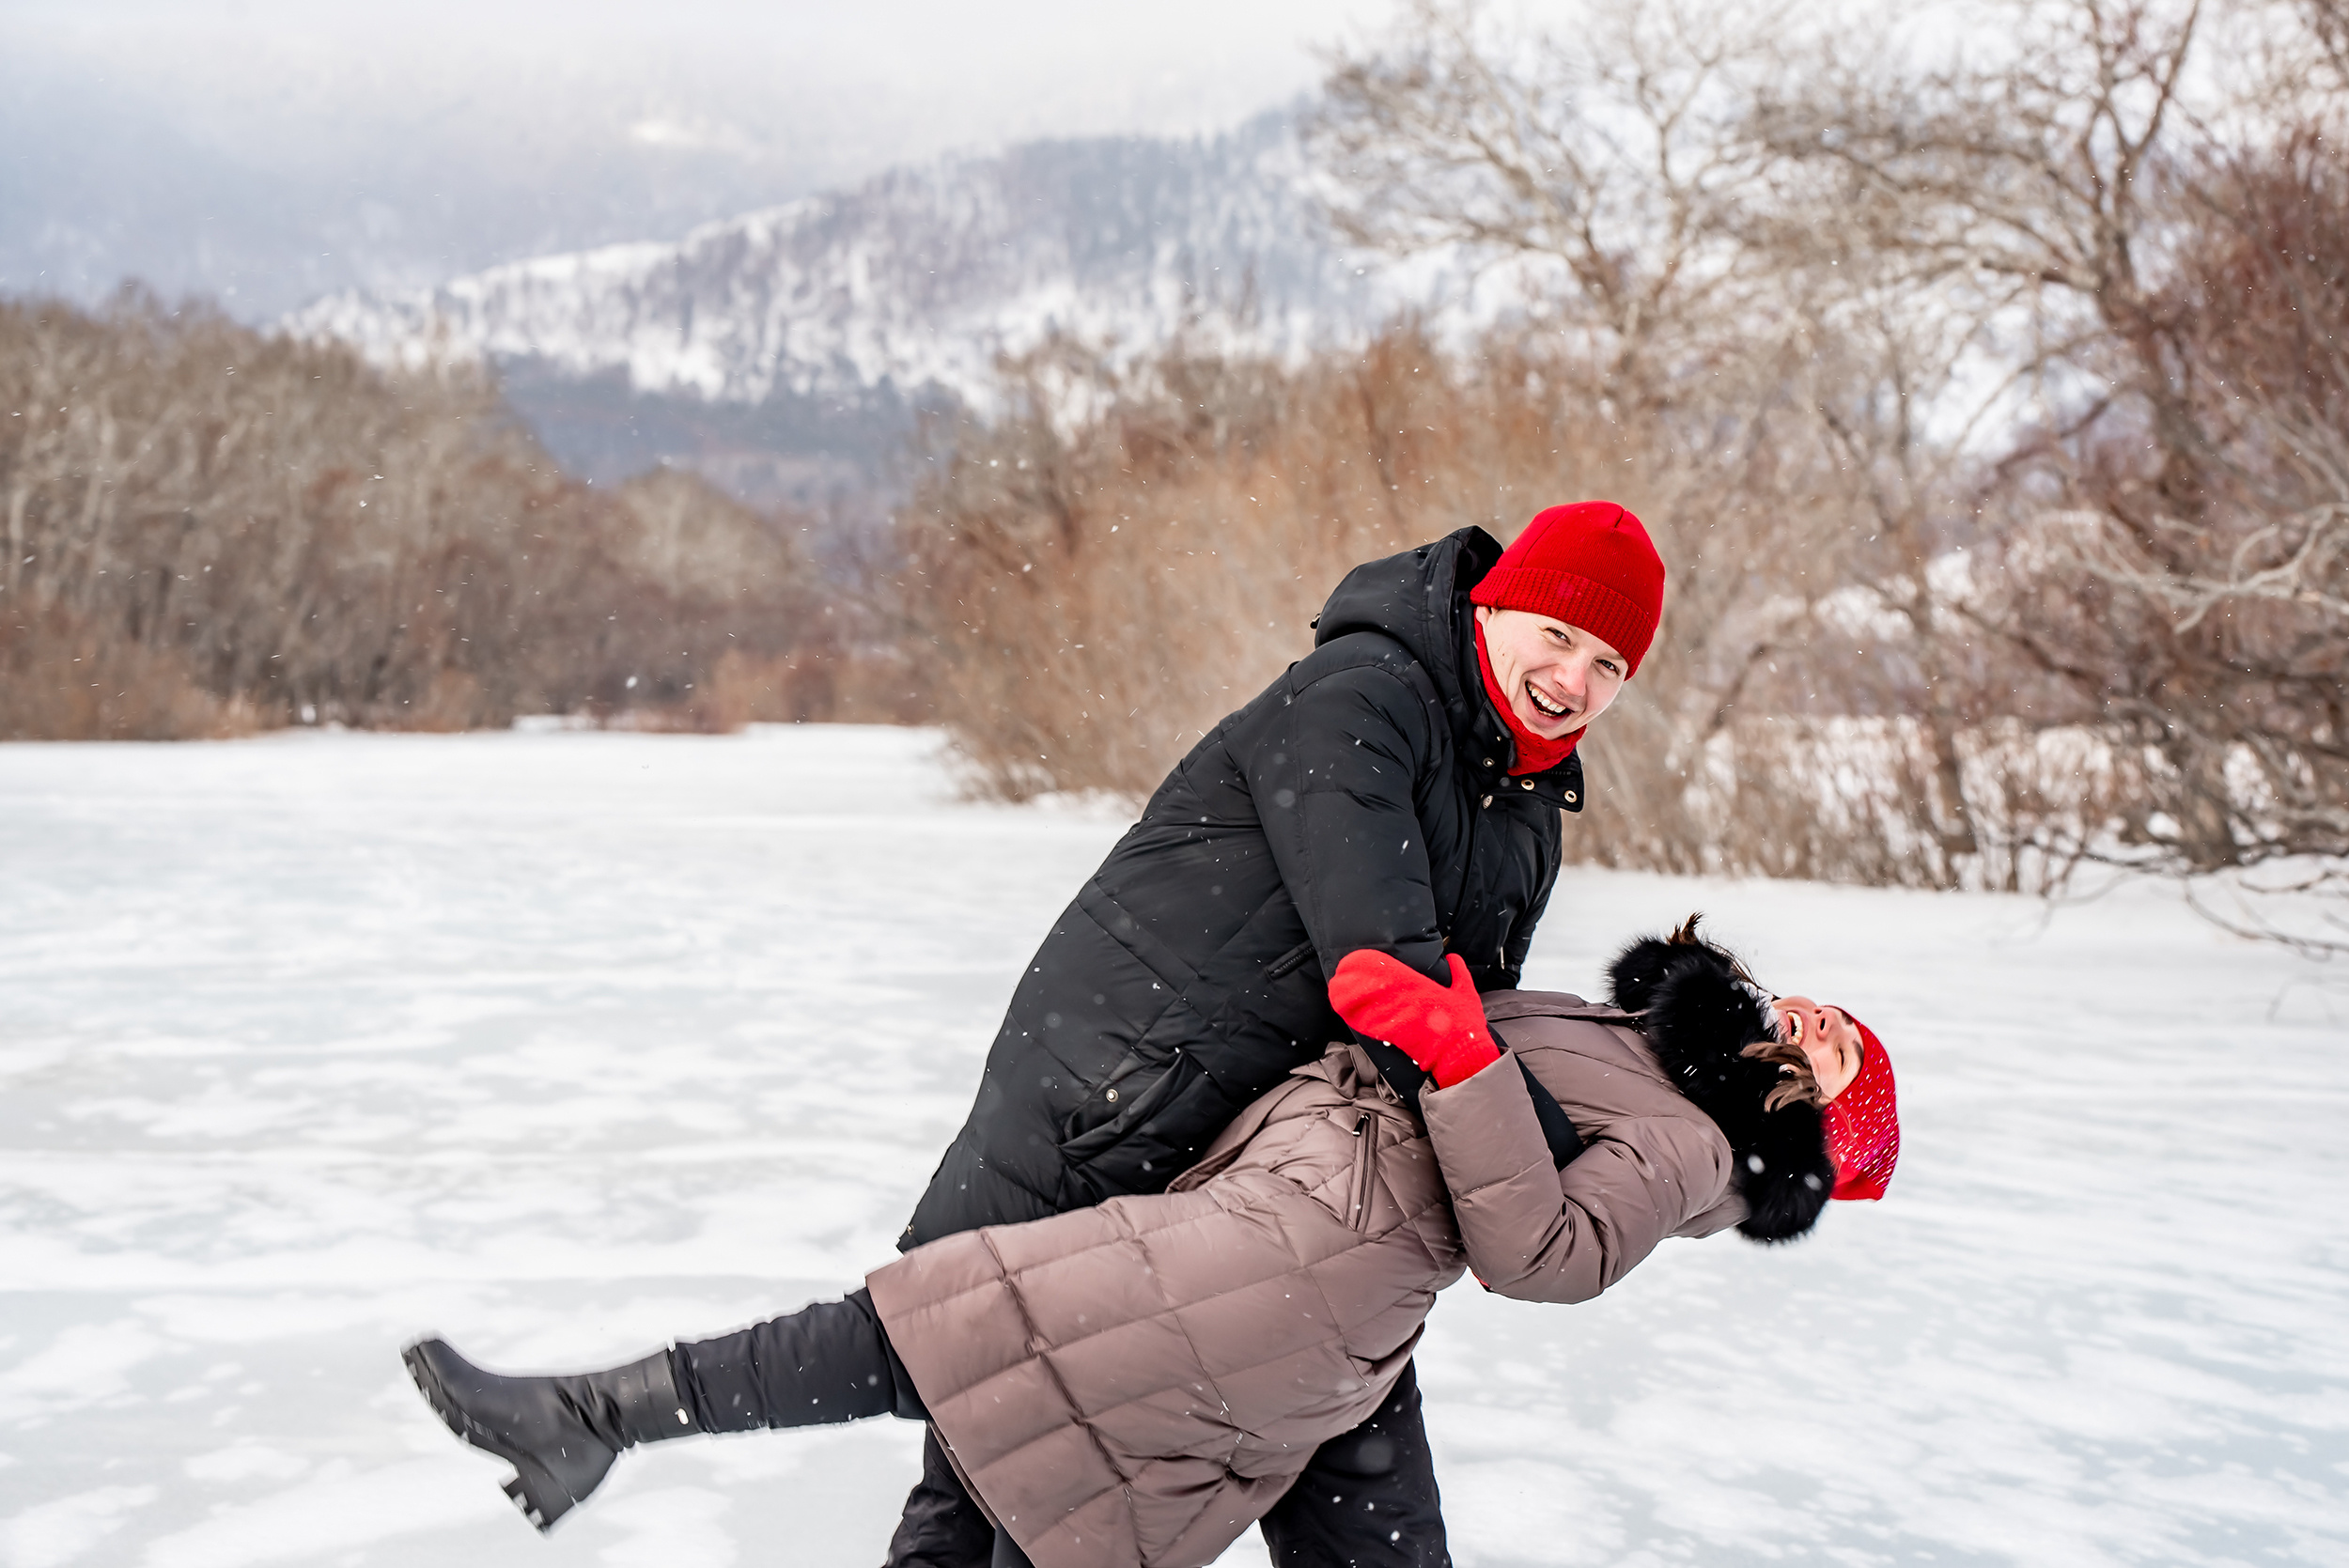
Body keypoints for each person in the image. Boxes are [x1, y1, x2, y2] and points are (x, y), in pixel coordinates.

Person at [405, 919, 1901, 1568]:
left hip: (1310, 1259)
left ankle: (591, 1414)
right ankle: (589, 1419)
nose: (1828, 1031)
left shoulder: (1700, 1144)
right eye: (1838, 1017)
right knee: (1001, 1394)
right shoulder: (1653, 1041)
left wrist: (1460, 1059)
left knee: (959, 1323)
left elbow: (1547, 1250)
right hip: (1283, 1212)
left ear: (1817, 1134)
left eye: (1848, 1067)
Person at [879, 502, 1671, 1568]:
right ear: (1494, 605)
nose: (1574, 680)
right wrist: (1550, 1174)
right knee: (998, 1504)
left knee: (1371, 1524)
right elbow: (1391, 980)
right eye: (1558, 635)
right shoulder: (1361, 699)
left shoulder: (1524, 806)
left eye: (1610, 662)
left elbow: (1473, 1034)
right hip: (1112, 1134)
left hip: (1293, 1195)